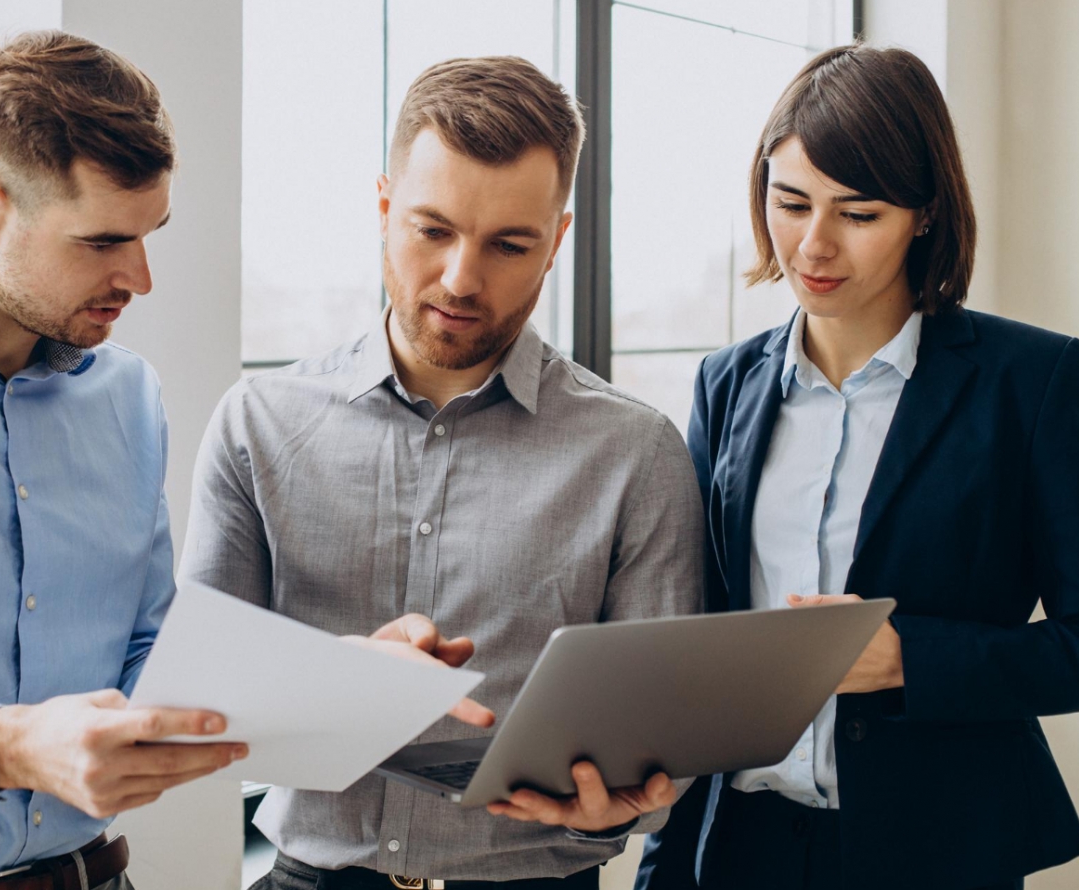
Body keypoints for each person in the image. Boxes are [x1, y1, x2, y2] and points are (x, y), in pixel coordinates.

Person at [0, 30, 481, 890]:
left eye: (150, 233)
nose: (141, 276)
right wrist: (7, 746)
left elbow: (147, 664)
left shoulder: (125, 398)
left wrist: (332, 680)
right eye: (102, 242)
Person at [182, 56, 705, 889]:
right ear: (384, 207)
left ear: (558, 240)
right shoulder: (258, 424)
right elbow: (195, 704)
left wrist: (636, 800)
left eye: (509, 244)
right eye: (433, 230)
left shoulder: (636, 453)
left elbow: (659, 750)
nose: (463, 279)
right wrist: (344, 681)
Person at [636, 44, 1079, 890]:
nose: (813, 244)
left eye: (859, 213)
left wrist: (910, 659)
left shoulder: (1031, 383)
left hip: (936, 849)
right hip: (739, 845)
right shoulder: (724, 383)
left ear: (924, 214)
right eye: (791, 201)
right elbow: (698, 629)